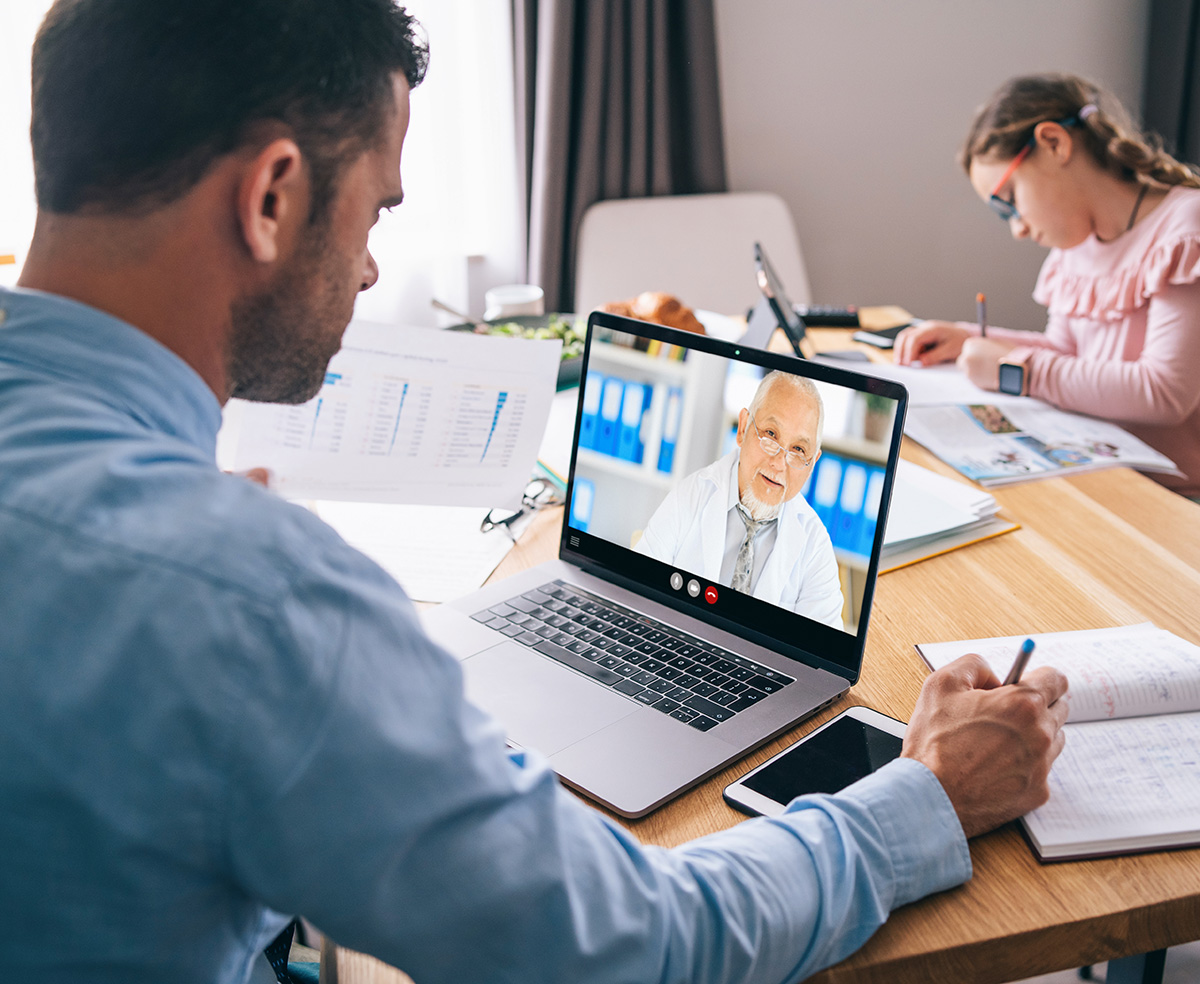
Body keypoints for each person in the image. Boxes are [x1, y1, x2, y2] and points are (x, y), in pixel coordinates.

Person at [0, 3, 1070, 982]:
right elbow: (636, 948)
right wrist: (923, 796)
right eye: (374, 215)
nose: (371, 271)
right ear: (272, 196)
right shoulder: (252, 598)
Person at [895, 72, 1200, 499]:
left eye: (1010, 202)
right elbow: (1068, 353)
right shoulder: (1075, 246)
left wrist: (1014, 372)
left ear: (1054, 143)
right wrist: (966, 338)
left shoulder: (1185, 227)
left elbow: (1164, 392)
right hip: (1101, 477)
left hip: (1174, 498)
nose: (1017, 229)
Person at [635, 371, 844, 628]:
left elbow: (822, 653)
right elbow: (636, 595)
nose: (779, 463)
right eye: (770, 434)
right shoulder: (689, 497)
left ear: (812, 464)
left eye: (799, 450)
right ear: (744, 428)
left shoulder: (815, 546)